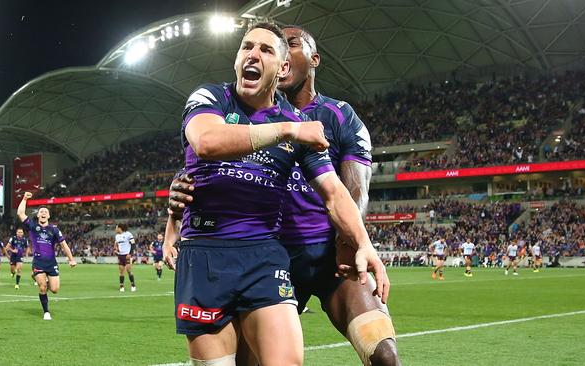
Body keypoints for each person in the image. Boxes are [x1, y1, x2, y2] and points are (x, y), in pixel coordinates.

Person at [169, 24, 400, 366]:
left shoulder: (329, 117)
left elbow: (341, 191)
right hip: (213, 253)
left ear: (283, 67)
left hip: (289, 254)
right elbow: (204, 146)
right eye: (246, 46)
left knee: (373, 356)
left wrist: (362, 243)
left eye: (267, 50)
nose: (253, 54)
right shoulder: (213, 99)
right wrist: (172, 221)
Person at [17, 192, 76, 320]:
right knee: (43, 287)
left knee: (54, 290)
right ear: (38, 215)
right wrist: (24, 199)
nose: (43, 213)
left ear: (48, 215)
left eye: (45, 211)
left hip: (51, 263)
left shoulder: (54, 230)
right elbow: (21, 214)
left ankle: (39, 278)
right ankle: (46, 312)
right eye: (41, 211)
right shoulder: (33, 226)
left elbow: (64, 245)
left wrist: (71, 259)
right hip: (38, 262)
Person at [114, 223, 136, 292]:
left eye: (116, 228)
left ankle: (133, 285)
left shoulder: (128, 234)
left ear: (120, 228)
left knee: (129, 270)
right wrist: (116, 250)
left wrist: (130, 253)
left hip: (127, 255)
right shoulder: (117, 236)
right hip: (120, 255)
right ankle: (121, 286)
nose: (115, 229)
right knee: (121, 271)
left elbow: (133, 244)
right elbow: (116, 245)